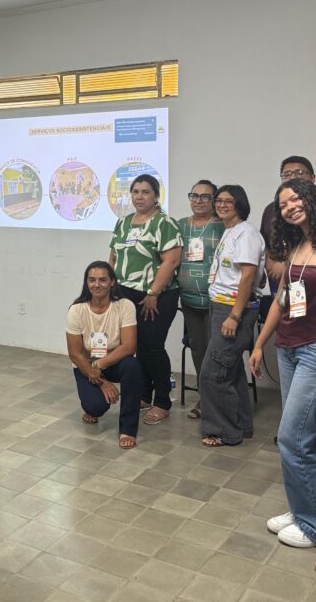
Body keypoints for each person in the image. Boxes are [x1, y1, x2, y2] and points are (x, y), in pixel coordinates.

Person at [249, 180, 316, 548]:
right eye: (283, 204)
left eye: (296, 198)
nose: (290, 206)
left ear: (313, 200)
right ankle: (304, 508)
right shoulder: (297, 247)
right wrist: (260, 343)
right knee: (307, 436)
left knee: (293, 437)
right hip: (287, 348)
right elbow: (282, 299)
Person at [108, 174, 181, 425]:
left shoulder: (164, 223)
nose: (139, 196)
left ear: (156, 196)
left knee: (153, 347)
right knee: (137, 346)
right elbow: (114, 257)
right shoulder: (123, 222)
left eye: (146, 192)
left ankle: (162, 401)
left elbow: (171, 261)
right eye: (135, 191)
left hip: (157, 295)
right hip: (126, 293)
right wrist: (111, 288)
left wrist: (153, 293)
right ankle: (144, 394)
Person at [200, 185, 264, 447]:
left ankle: (224, 431)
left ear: (240, 204)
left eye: (229, 201)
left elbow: (248, 276)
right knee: (231, 370)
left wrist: (235, 316)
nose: (222, 204)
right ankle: (242, 425)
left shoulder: (246, 233)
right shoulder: (231, 231)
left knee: (212, 373)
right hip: (221, 306)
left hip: (233, 309)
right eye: (219, 200)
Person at [66, 261, 142, 449]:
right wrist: (102, 382)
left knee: (132, 366)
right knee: (95, 407)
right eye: (92, 280)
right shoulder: (76, 310)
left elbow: (129, 347)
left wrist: (99, 365)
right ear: (86, 283)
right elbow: (75, 354)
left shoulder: (125, 306)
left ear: (112, 282)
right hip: (86, 366)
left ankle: (128, 429)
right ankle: (92, 408)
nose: (97, 284)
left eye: (102, 280)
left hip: (113, 362)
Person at [175, 179, 223, 420]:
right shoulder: (180, 225)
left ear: (214, 200)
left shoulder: (223, 225)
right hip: (189, 300)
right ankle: (205, 399)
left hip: (218, 301)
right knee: (198, 349)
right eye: (194, 195)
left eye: (205, 196)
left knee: (217, 352)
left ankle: (218, 401)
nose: (198, 200)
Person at [259, 157, 316, 283]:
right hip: (284, 282)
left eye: (300, 172)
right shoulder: (295, 247)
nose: (293, 177)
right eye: (287, 174)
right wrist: (274, 264)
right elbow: (266, 242)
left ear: (312, 178)